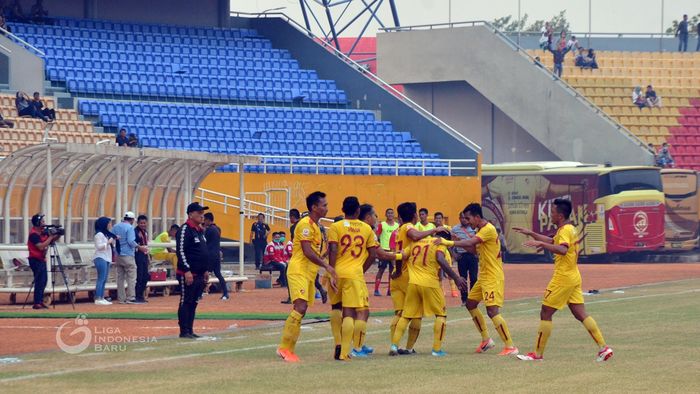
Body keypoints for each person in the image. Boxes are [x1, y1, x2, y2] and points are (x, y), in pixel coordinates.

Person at [514, 199, 613, 362]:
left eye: (552, 212)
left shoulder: (565, 230)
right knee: (580, 313)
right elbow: (553, 241)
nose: (550, 215)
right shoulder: (568, 228)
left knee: (545, 312)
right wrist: (531, 233)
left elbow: (562, 249)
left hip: (563, 278)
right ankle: (604, 348)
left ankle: (537, 354)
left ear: (559, 215)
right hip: (573, 276)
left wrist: (540, 243)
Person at [436, 203, 519, 356]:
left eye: (468, 218)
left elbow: (471, 242)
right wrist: (456, 238)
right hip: (485, 276)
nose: (467, 221)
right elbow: (474, 249)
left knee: (492, 310)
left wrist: (449, 242)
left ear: (477, 217)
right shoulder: (480, 230)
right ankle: (486, 339)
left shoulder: (488, 229)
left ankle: (510, 346)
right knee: (470, 303)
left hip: (493, 276)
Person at [277, 191, 338, 363]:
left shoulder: (317, 227)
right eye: (324, 205)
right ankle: (284, 348)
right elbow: (307, 251)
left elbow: (316, 252)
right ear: (314, 207)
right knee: (300, 307)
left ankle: (289, 349)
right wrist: (326, 265)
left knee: (301, 310)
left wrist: (327, 263)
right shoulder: (305, 224)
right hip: (298, 270)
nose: (327, 208)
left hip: (309, 273)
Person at [391, 234, 468, 357]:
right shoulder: (439, 243)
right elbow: (439, 258)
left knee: (406, 316)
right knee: (441, 315)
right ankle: (436, 350)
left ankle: (394, 346)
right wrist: (456, 277)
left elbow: (401, 255)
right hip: (430, 283)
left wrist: (398, 271)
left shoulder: (416, 241)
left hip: (413, 283)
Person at [390, 202, 447, 355]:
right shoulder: (409, 228)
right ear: (415, 215)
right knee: (414, 314)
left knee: (402, 313)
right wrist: (434, 230)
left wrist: (394, 267)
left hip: (399, 273)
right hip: (411, 274)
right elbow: (441, 260)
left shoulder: (398, 230)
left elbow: (400, 253)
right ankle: (410, 347)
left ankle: (394, 345)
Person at [328, 197, 378, 361]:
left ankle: (338, 342)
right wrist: (361, 269)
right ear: (358, 211)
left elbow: (333, 249)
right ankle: (347, 350)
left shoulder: (335, 226)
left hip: (337, 271)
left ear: (343, 210)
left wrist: (331, 270)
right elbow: (373, 254)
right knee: (350, 312)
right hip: (354, 274)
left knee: (336, 307)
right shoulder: (366, 228)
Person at [176, 202, 210, 338]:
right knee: (186, 300)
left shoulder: (199, 231)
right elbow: (181, 251)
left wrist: (206, 270)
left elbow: (203, 252)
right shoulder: (185, 229)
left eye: (202, 213)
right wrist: (187, 271)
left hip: (200, 273)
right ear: (191, 214)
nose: (202, 215)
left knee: (194, 302)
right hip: (189, 274)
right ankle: (184, 331)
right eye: (199, 213)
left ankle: (190, 329)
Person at [27, 214, 60, 309]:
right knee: (39, 281)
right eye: (42, 221)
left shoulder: (42, 232)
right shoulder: (33, 234)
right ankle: (37, 302)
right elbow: (40, 246)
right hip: (35, 260)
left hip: (41, 259)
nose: (44, 223)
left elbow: (52, 241)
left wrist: (57, 235)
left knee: (44, 280)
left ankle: (40, 300)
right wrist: (50, 237)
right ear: (37, 223)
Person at [111, 212, 140, 304]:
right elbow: (131, 241)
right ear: (131, 220)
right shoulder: (130, 228)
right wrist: (140, 247)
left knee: (120, 277)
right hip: (128, 254)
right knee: (131, 277)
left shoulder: (115, 226)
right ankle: (131, 297)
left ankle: (121, 298)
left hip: (118, 254)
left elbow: (111, 239)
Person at [451, 211, 479, 306]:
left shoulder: (474, 228)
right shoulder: (455, 229)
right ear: (459, 218)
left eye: (466, 218)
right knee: (462, 278)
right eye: (462, 218)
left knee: (474, 278)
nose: (464, 220)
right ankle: (464, 299)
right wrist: (454, 254)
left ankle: (473, 298)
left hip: (472, 256)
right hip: (461, 256)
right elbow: (449, 243)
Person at [374, 208, 398, 297]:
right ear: (386, 214)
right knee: (381, 270)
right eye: (388, 213)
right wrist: (377, 249)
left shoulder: (397, 225)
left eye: (392, 213)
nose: (390, 214)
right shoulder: (382, 225)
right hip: (383, 251)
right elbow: (376, 236)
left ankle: (389, 290)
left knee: (392, 271)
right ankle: (376, 289)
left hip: (393, 251)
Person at [204, 212, 228, 300]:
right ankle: (225, 293)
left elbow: (205, 242)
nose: (203, 221)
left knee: (203, 273)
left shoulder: (209, 230)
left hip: (210, 255)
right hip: (217, 254)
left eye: (205, 219)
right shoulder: (217, 228)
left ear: (208, 220)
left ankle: (199, 293)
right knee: (218, 274)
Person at [93, 217, 116, 305]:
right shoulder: (99, 234)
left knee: (104, 279)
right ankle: (98, 297)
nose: (110, 225)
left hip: (106, 257)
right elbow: (99, 246)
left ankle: (102, 296)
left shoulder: (105, 234)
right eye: (109, 223)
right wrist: (108, 242)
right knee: (101, 278)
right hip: (100, 257)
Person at [133, 215, 150, 304]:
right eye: (141, 223)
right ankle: (137, 296)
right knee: (140, 276)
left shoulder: (145, 232)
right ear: (138, 223)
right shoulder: (135, 232)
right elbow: (134, 243)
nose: (143, 224)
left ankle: (141, 295)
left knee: (145, 276)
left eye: (144, 223)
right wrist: (140, 248)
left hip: (145, 255)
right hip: (138, 255)